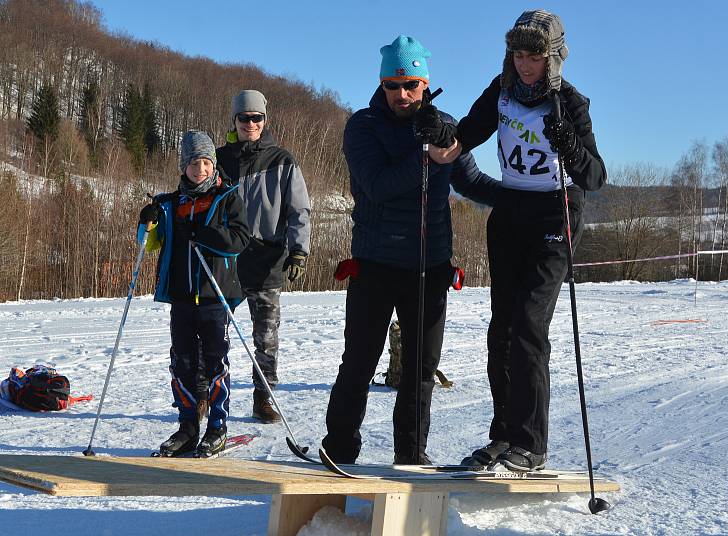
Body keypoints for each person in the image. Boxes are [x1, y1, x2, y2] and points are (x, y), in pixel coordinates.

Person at [419, 10, 607, 471]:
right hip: (510, 212)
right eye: (518, 54)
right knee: (501, 330)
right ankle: (503, 437)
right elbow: (457, 142)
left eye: (535, 56)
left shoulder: (571, 103)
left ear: (554, 57)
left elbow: (595, 176)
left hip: (555, 213)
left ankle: (532, 444)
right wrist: (434, 133)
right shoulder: (500, 91)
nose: (525, 65)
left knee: (528, 325)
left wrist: (570, 146)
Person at [321, 35, 499, 465]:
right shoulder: (362, 126)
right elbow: (377, 186)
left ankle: (411, 456)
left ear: (425, 84)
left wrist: (529, 199)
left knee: (420, 372)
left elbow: (470, 182)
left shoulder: (444, 125)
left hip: (430, 268)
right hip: (375, 265)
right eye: (392, 86)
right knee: (359, 364)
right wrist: (425, 152)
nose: (402, 95)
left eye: (412, 85)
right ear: (381, 86)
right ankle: (340, 451)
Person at [138, 130, 250, 456]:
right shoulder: (170, 204)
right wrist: (148, 222)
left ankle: (218, 427)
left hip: (215, 296)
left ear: (213, 164)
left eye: (205, 162)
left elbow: (239, 240)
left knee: (216, 362)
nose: (199, 169)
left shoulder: (228, 197)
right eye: (193, 163)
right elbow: (149, 243)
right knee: (183, 362)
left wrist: (203, 233)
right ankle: (188, 426)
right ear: (183, 166)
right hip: (182, 296)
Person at [216, 90, 312, 423]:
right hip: (225, 262)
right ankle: (207, 396)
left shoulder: (282, 160)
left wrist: (299, 250)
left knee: (266, 338)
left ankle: (264, 399)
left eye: (257, 118)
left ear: (265, 120)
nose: (250, 123)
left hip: (267, 259)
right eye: (244, 118)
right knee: (212, 334)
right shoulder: (218, 160)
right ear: (235, 120)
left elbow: (299, 209)